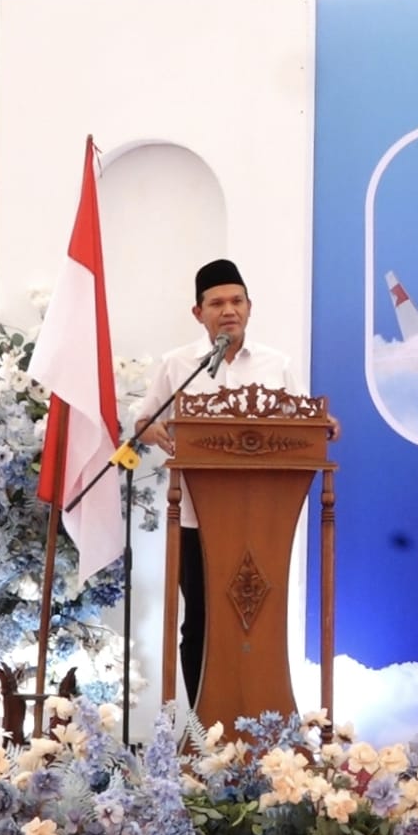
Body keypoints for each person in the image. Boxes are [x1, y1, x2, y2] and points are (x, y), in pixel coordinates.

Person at [137, 258, 304, 708]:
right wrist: (158, 433)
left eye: (236, 301)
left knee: (258, 621)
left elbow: (302, 428)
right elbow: (145, 421)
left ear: (250, 307)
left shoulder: (277, 364)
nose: (228, 310)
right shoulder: (179, 365)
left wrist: (325, 427)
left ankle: (259, 718)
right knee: (201, 622)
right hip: (197, 518)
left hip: (264, 521)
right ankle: (203, 728)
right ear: (199, 313)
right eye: (216, 304)